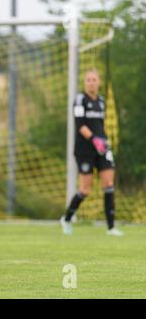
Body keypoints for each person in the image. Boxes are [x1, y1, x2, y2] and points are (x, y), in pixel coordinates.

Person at [60, 68, 123, 236]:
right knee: (85, 189)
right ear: (84, 82)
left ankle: (111, 228)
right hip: (84, 150)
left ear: (99, 82)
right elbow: (81, 125)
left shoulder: (101, 101)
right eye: (88, 79)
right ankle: (67, 219)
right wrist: (94, 139)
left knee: (109, 184)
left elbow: (99, 126)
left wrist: (103, 140)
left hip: (102, 148)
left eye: (94, 79)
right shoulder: (80, 100)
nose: (91, 82)